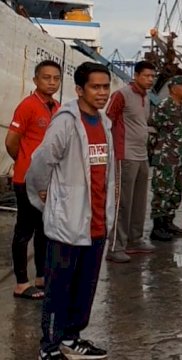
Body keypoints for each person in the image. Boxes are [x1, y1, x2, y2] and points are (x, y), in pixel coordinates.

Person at [27, 62, 114, 360]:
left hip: (97, 222)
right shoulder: (66, 122)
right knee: (59, 288)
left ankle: (72, 337)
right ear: (79, 89)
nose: (102, 93)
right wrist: (44, 194)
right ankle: (49, 347)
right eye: (95, 87)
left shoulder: (104, 123)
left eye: (105, 87)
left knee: (85, 288)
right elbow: (41, 161)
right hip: (68, 222)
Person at [5, 60, 61, 300]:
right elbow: (11, 141)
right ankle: (21, 283)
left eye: (56, 78)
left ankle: (41, 277)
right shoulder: (28, 106)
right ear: (36, 80)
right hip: (27, 179)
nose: (51, 82)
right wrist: (23, 161)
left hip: (47, 180)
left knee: (44, 230)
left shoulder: (56, 107)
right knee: (24, 230)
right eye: (46, 77)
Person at [105, 60, 156, 263]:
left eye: (152, 76)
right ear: (136, 75)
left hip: (142, 155)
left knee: (139, 202)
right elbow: (108, 119)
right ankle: (116, 245)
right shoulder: (122, 94)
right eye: (146, 75)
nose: (150, 79)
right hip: (124, 155)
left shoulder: (146, 98)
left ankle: (135, 239)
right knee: (122, 203)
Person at [148, 76, 182, 241]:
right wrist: (155, 150)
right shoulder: (165, 105)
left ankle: (169, 222)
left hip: (179, 156)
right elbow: (152, 126)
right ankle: (157, 227)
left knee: (175, 190)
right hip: (166, 155)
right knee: (162, 190)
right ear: (173, 88)